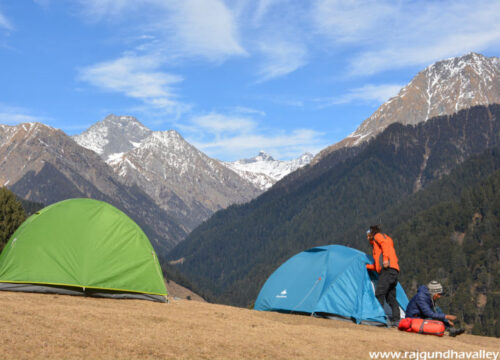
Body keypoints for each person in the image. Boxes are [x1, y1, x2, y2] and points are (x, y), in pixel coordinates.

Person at [366, 225, 400, 326]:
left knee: (379, 293)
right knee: (390, 297)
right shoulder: (376, 245)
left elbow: (384, 244)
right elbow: (377, 266)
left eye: (368, 235)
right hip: (394, 270)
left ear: (372, 233)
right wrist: (367, 267)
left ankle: (379, 319)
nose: (367, 237)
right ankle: (396, 320)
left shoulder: (378, 236)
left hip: (388, 270)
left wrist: (385, 259)